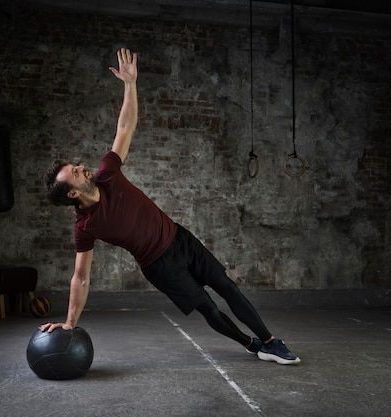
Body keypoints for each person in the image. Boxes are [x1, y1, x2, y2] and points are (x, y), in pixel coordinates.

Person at [42, 48, 300, 365]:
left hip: (179, 238)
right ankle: (252, 344)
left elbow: (124, 128)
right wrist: (69, 323)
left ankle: (272, 341)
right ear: (71, 194)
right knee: (207, 306)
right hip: (159, 267)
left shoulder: (108, 172)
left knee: (226, 285)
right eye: (76, 173)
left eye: (77, 165)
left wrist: (130, 84)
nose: (82, 167)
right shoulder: (85, 226)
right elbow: (80, 278)